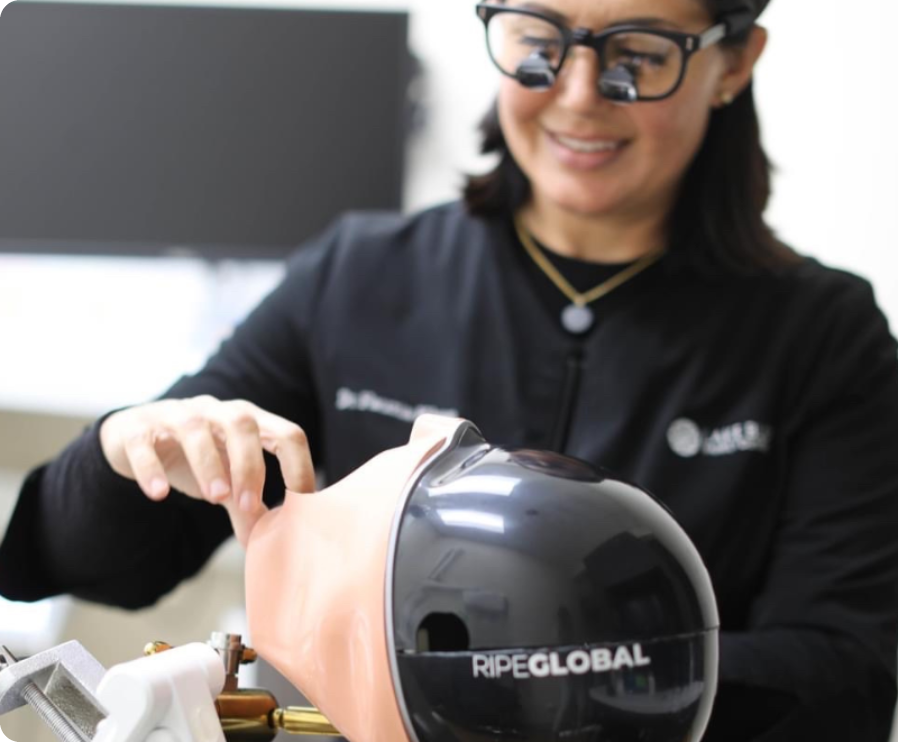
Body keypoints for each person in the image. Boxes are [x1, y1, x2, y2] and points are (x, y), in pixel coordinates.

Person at [2, 0, 897, 739]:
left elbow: (845, 675)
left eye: (639, 53)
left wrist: (520, 676)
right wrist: (123, 447)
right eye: (539, 42)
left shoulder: (824, 334)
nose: (579, 95)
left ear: (735, 61)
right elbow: (81, 560)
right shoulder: (360, 276)